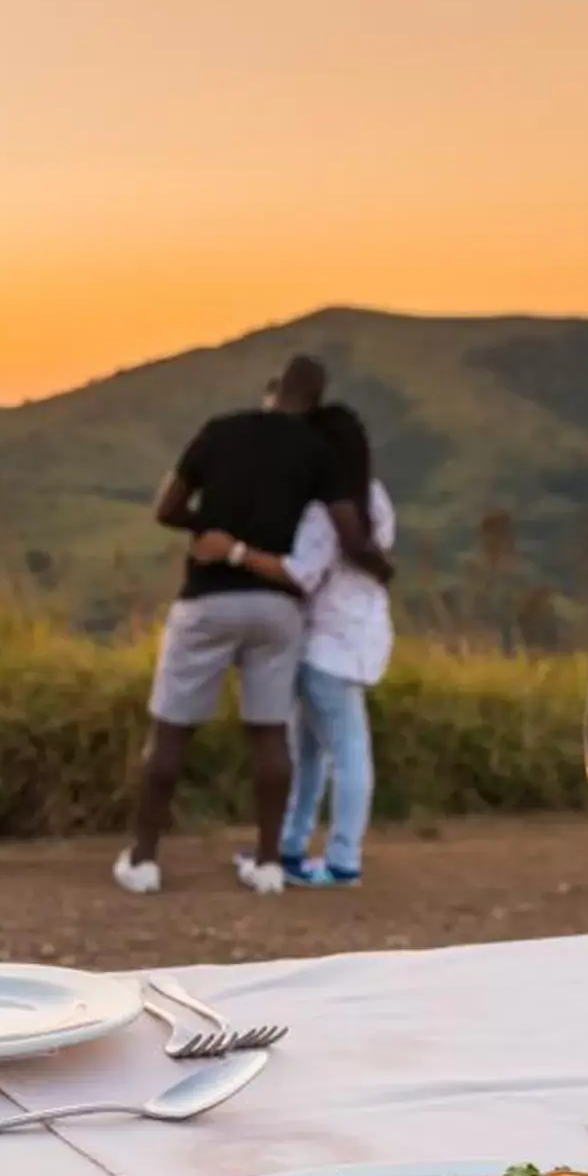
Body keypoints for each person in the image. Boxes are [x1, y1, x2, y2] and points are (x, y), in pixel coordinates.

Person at [118, 356, 390, 896]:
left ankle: (144, 860)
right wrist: (382, 568)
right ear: (315, 399)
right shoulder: (319, 455)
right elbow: (348, 532)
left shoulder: (220, 431)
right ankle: (270, 864)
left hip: (207, 600)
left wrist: (212, 529)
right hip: (277, 609)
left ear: (273, 391)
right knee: (271, 736)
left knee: (171, 730)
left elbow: (165, 508)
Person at [189, 401, 394, 887]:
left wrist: (234, 551)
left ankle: (343, 861)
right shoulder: (376, 497)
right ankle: (288, 847)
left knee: (343, 754)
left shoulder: (325, 510)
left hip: (326, 643)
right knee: (312, 754)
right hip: (356, 637)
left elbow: (300, 574)